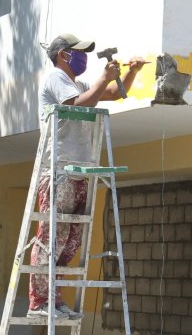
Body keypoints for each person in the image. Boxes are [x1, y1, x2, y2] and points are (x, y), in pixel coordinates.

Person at [28, 33, 145, 319]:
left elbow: (114, 94)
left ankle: (54, 299)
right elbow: (80, 104)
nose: (83, 57)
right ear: (62, 55)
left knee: (69, 241)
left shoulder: (76, 84)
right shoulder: (56, 78)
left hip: (78, 168)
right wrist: (103, 78)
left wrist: (130, 73)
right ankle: (39, 302)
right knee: (52, 237)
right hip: (58, 169)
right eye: (77, 52)